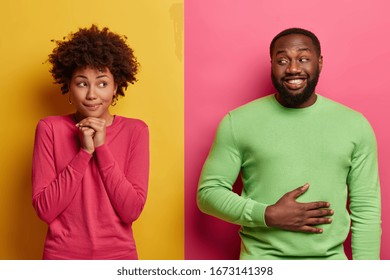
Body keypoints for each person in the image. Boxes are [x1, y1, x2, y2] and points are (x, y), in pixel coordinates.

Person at [197, 28, 381, 260]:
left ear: (320, 62)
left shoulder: (355, 124)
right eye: (282, 60)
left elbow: (366, 210)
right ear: (272, 64)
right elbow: (208, 193)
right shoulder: (238, 122)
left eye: (304, 59)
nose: (293, 68)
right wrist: (267, 215)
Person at [32, 25, 149, 260]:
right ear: (68, 86)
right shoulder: (49, 129)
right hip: (62, 259)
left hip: (119, 259)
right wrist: (84, 152)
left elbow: (131, 211)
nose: (92, 95)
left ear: (116, 87)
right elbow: (45, 210)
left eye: (103, 83)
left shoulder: (136, 130)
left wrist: (102, 148)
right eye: (82, 83)